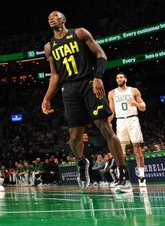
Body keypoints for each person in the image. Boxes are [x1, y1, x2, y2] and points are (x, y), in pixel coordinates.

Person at [40, 11, 132, 193]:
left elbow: (101, 55)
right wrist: (47, 97)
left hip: (89, 84)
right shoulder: (49, 47)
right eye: (49, 16)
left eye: (55, 15)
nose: (51, 18)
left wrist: (98, 77)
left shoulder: (80, 33)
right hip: (69, 89)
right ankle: (82, 162)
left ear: (64, 19)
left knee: (106, 128)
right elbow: (55, 75)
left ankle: (124, 176)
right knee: (74, 138)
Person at [108, 72, 147, 183]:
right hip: (120, 121)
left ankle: (142, 176)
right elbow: (112, 111)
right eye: (117, 78)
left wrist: (137, 104)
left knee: (137, 149)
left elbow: (143, 107)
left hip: (133, 120)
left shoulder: (134, 90)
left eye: (121, 77)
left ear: (125, 79)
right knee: (121, 151)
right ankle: (122, 176)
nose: (119, 79)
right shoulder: (111, 93)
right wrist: (108, 121)